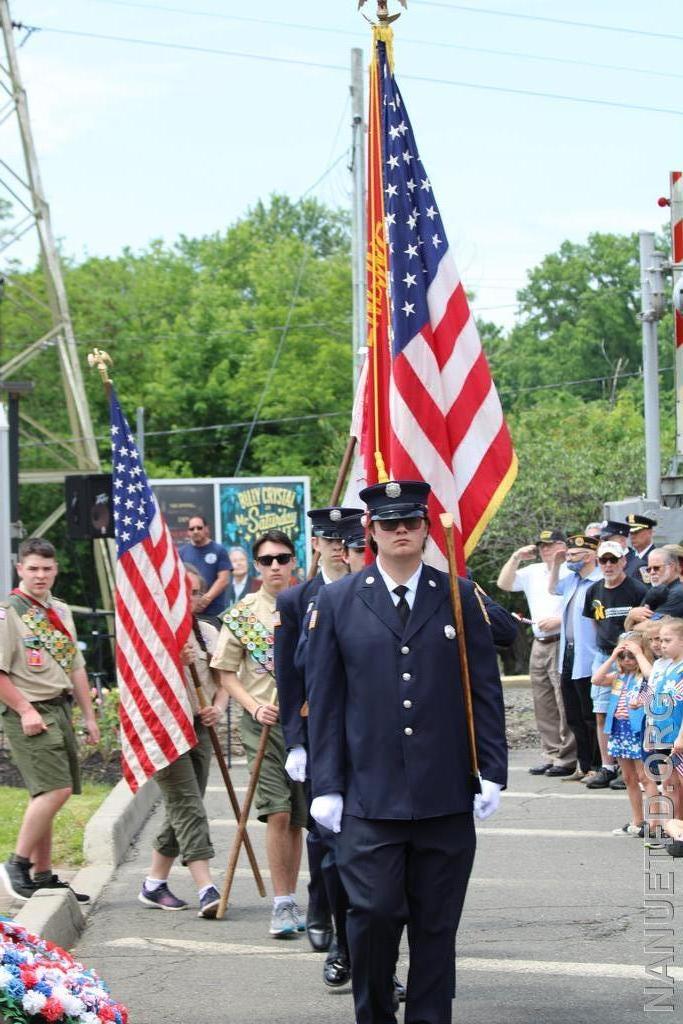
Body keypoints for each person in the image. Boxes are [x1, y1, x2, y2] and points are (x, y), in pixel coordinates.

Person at [306, 479, 507, 1024]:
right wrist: (324, 784)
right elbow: (324, 700)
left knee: (436, 924)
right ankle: (374, 1015)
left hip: (443, 793)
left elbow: (483, 690)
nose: (401, 531)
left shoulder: (459, 595)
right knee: (372, 914)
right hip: (368, 798)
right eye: (389, 523)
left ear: (425, 529)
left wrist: (491, 770)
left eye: (411, 522)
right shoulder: (339, 599)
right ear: (368, 531)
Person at [274, 506, 361, 981]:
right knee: (327, 843)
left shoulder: (373, 593)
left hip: (369, 738)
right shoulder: (296, 602)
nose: (338, 547)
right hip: (320, 736)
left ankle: (359, 950)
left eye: (346, 538)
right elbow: (291, 679)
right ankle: (330, 924)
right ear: (318, 543)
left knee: (366, 853)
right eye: (330, 538)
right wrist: (297, 742)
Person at [211, 529, 308, 938]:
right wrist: (253, 705)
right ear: (256, 566)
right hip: (262, 723)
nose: (275, 566)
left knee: (299, 817)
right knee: (277, 810)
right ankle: (282, 903)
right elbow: (224, 671)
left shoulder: (309, 605)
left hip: (303, 721)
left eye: (282, 558)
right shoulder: (243, 613)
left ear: (293, 562)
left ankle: (294, 897)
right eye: (267, 560)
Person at [0, 538, 100, 904]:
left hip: (58, 708)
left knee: (46, 793)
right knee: (55, 790)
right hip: (29, 711)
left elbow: (75, 666)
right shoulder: (8, 611)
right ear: (20, 569)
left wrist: (89, 716)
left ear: (55, 570)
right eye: (33, 568)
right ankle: (16, 864)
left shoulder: (58, 610)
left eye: (46, 568)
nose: (40, 575)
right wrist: (25, 710)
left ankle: (42, 875)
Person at [138, 565, 226, 917]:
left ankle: (154, 883)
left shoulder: (206, 632)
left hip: (198, 729)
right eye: (179, 591)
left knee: (183, 805)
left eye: (192, 592)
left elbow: (222, 680)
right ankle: (206, 886)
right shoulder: (152, 634)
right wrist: (174, 661)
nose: (186, 598)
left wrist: (216, 710)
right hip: (163, 730)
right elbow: (145, 685)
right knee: (188, 804)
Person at [497, 529, 576, 776]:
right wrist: (516, 557)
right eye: (541, 546)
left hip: (562, 638)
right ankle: (551, 753)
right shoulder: (533, 572)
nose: (545, 550)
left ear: (562, 546)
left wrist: (560, 621)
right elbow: (504, 584)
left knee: (564, 700)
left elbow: (580, 605)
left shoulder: (570, 569)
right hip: (540, 641)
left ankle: (568, 756)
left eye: (550, 545)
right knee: (543, 702)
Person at [581, 541, 647, 789]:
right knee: (601, 711)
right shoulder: (594, 591)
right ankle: (608, 765)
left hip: (630, 656)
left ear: (623, 562)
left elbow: (645, 625)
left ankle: (630, 766)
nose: (608, 565)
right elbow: (595, 623)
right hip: (605, 654)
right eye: (603, 561)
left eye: (613, 560)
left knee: (630, 711)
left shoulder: (637, 589)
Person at [591, 633, 658, 836]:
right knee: (629, 778)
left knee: (645, 778)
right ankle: (638, 820)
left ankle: (655, 823)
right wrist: (612, 657)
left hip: (637, 731)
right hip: (619, 731)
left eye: (631, 655)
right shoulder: (620, 676)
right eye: (623, 656)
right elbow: (596, 679)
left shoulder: (646, 676)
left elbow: (654, 676)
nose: (627, 660)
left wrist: (639, 654)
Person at [548, 533, 601, 783]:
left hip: (589, 656)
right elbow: (551, 588)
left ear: (590, 556)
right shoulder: (571, 580)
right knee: (574, 715)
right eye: (568, 555)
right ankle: (582, 765)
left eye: (573, 555)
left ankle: (598, 766)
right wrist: (556, 564)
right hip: (568, 652)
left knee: (590, 715)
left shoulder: (598, 581)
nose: (569, 558)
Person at [178, 515, 231, 625]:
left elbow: (224, 579)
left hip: (214, 612)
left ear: (206, 529)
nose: (195, 531)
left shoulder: (219, 550)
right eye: (192, 529)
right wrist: (193, 601)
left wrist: (205, 600)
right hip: (189, 613)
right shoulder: (181, 552)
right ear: (188, 532)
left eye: (199, 527)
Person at [625, 548, 683, 629]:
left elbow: (649, 628)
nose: (652, 572)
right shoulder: (655, 591)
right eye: (648, 569)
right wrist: (631, 615)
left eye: (656, 568)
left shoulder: (679, 592)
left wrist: (631, 621)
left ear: (672, 566)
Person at [626, 513, 657, 579]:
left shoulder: (656, 558)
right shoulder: (627, 558)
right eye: (631, 533)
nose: (632, 536)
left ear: (650, 532)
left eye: (636, 532)